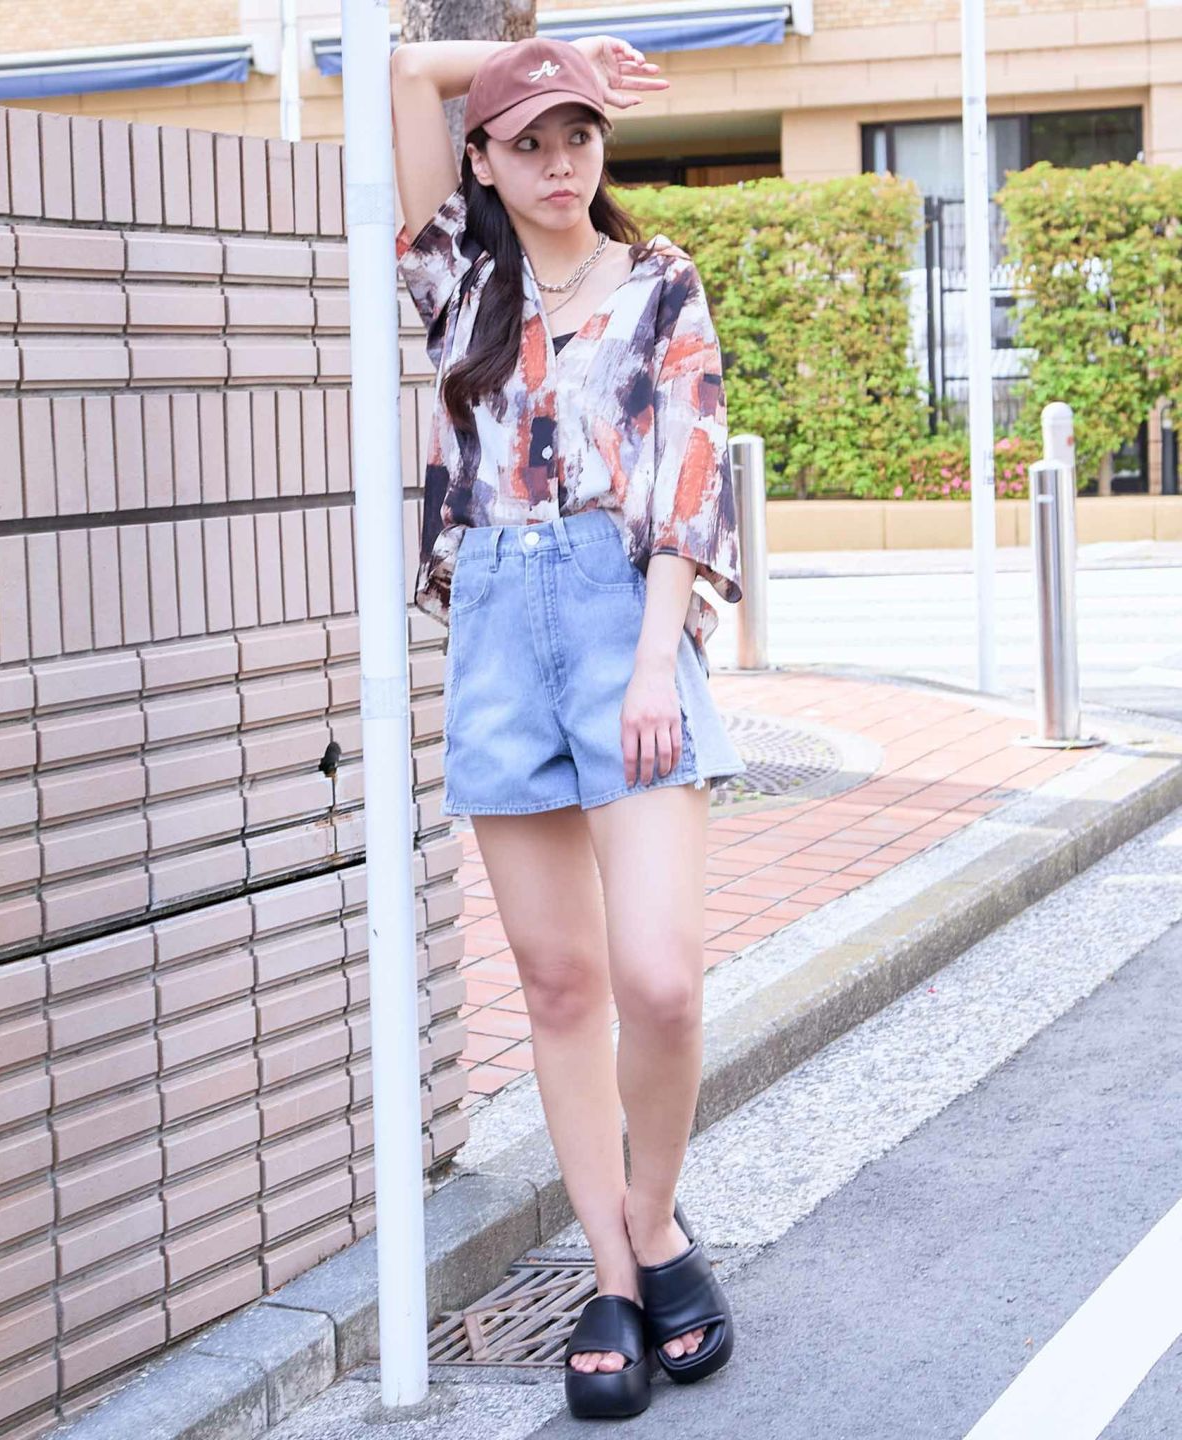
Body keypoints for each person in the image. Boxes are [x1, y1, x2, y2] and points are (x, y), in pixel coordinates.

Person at [390, 32, 746, 1420]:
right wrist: (532, 57)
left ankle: (654, 1223)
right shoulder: (457, 281)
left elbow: (688, 469)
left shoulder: (659, 282)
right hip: (494, 630)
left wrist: (656, 661)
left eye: (579, 135)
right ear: (482, 162)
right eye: (528, 141)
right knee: (555, 986)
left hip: (621, 619)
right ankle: (609, 1272)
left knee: (659, 980)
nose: (558, 163)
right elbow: (402, 75)